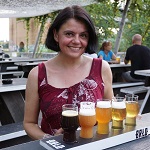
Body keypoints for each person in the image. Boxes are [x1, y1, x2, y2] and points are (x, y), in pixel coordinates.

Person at [23, 5, 114, 140]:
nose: (77, 41)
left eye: (83, 35)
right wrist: (50, 140)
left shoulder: (102, 68)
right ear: (55, 35)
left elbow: (111, 111)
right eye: (69, 34)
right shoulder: (37, 74)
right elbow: (29, 123)